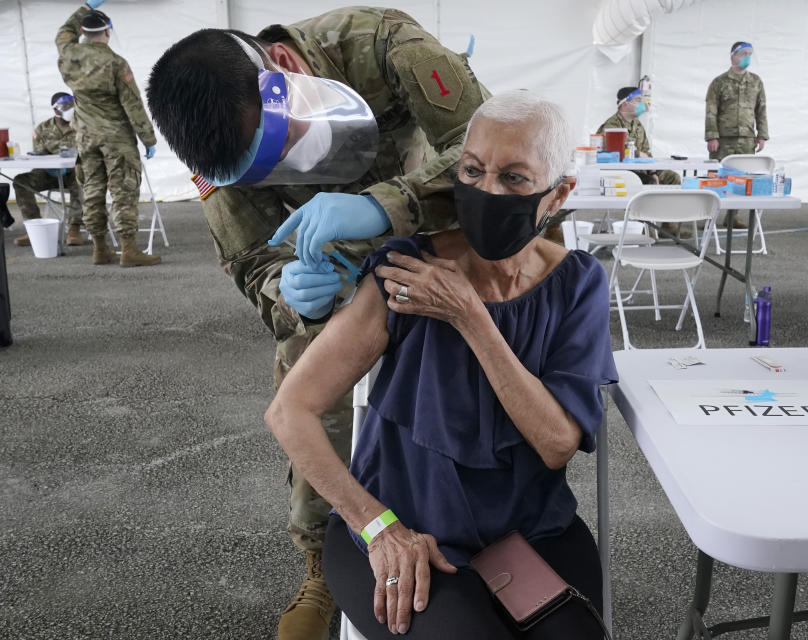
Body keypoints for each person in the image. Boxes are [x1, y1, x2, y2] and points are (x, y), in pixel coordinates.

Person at [147, 10, 486, 639]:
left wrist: (385, 204)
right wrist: (293, 295)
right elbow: (252, 258)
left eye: (278, 150)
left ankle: (494, 519)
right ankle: (323, 557)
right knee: (305, 361)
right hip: (328, 256)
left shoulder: (380, 42)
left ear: (286, 70)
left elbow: (486, 154)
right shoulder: (213, 152)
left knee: (480, 355)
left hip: (440, 223)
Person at [265, 90, 617, 640]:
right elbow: (291, 411)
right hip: (399, 529)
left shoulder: (576, 284)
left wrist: (471, 317)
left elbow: (555, 442)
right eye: (472, 171)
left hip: (531, 533)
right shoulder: (409, 269)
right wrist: (377, 526)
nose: (485, 192)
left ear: (557, 195)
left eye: (515, 179)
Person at [56, 0, 160, 267]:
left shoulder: (68, 55)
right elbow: (133, 104)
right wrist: (148, 138)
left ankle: (100, 249)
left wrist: (84, 7)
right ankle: (129, 250)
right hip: (116, 138)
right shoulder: (115, 63)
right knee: (123, 190)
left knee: (92, 190)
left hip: (85, 138)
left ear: (82, 31)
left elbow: (62, 33)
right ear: (108, 32)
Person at [597, 86, 688, 237]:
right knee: (648, 184)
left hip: (642, 170)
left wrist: (653, 171)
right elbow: (613, 153)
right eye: (638, 100)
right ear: (625, 103)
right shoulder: (612, 125)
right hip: (622, 173)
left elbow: (648, 154)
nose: (642, 104)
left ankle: (667, 224)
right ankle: (646, 231)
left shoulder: (638, 125)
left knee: (673, 178)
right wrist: (638, 154)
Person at [705, 41, 769, 229]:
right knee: (718, 176)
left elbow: (761, 110)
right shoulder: (719, 82)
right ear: (732, 56)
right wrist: (711, 136)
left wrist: (762, 135)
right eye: (742, 53)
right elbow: (711, 110)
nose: (746, 57)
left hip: (747, 137)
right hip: (723, 138)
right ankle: (710, 216)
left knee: (743, 177)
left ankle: (732, 216)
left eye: (750, 53)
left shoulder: (756, 81)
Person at [11, 93, 84, 248]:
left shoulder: (83, 125)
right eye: (65, 107)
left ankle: (74, 228)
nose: (70, 109)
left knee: (81, 178)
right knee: (21, 181)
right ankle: (34, 228)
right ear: (55, 110)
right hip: (50, 173)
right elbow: (40, 155)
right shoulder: (42, 129)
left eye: (72, 105)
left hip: (74, 171)